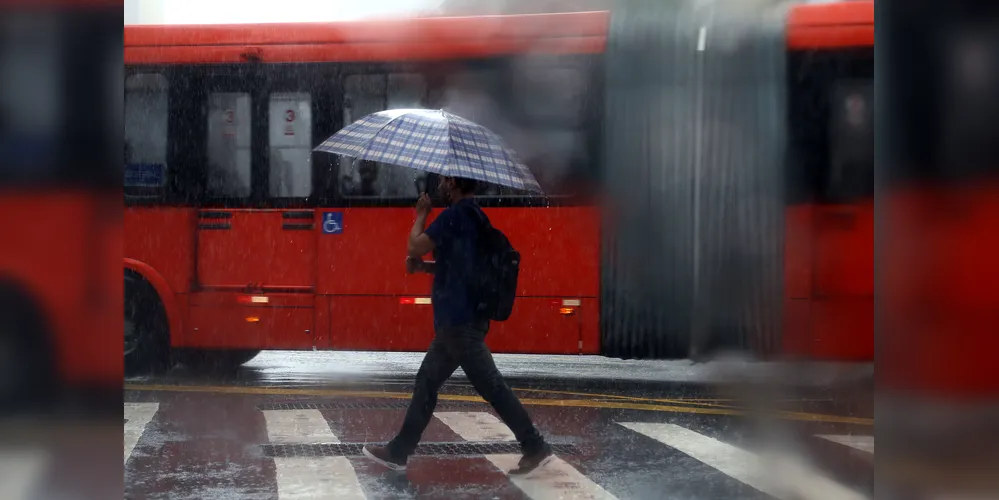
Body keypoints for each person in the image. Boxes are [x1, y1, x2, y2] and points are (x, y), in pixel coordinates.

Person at [362, 175, 553, 474]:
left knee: (491, 386)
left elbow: (414, 245)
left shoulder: (454, 216)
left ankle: (534, 444)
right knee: (427, 381)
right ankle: (398, 451)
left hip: (459, 321)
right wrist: (425, 267)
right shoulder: (475, 215)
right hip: (462, 320)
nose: (440, 183)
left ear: (453, 184)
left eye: (445, 179)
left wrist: (421, 215)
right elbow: (460, 268)